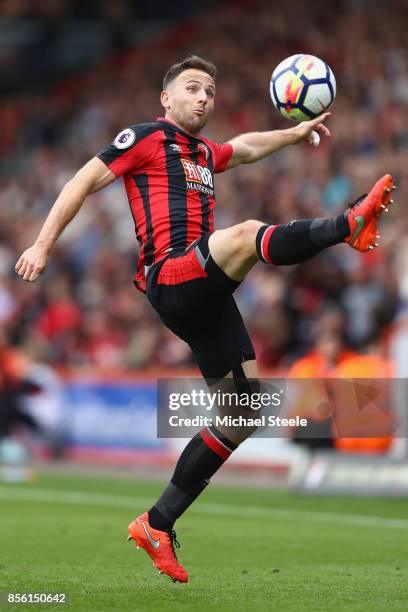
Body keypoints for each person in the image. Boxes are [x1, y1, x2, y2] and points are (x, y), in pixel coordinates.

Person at [15, 55, 395, 583]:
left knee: (241, 413)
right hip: (169, 273)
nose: (203, 98)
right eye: (193, 88)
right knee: (244, 236)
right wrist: (42, 243)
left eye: (210, 92)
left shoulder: (201, 152)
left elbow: (242, 149)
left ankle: (157, 522)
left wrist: (294, 134)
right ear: (166, 98)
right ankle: (347, 224)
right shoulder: (145, 137)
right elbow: (82, 180)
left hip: (204, 292)